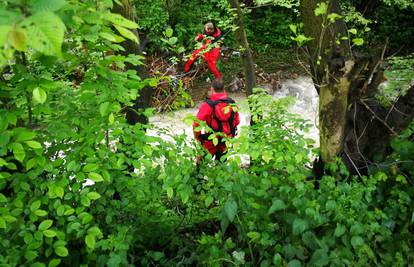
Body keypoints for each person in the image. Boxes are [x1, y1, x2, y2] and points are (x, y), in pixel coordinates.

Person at [193, 79, 240, 161]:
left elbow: (196, 124)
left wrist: (199, 138)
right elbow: (237, 121)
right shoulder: (231, 103)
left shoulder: (207, 105)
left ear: (212, 89)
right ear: (224, 89)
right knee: (222, 164)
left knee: (201, 165)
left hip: (210, 140)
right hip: (226, 140)